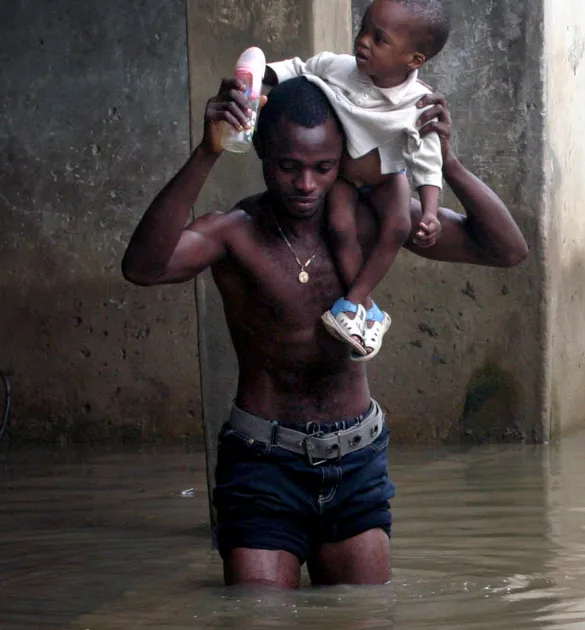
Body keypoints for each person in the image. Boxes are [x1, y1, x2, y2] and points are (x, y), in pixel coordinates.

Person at [120, 75, 528, 588]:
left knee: (362, 615)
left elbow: (507, 250)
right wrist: (208, 151)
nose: (307, 185)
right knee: (256, 616)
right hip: (262, 464)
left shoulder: (369, 222)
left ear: (345, 160)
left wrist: (446, 162)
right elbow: (143, 267)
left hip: (356, 461)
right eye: (289, 167)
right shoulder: (234, 232)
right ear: (263, 153)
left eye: (323, 168)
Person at [263, 0, 453, 361]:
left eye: (379, 39)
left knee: (398, 226)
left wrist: (430, 211)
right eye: (363, 29)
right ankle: (365, 308)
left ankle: (351, 303)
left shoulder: (419, 102)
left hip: (388, 178)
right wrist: (256, 75)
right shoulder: (338, 67)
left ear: (413, 60)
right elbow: (297, 69)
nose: (363, 41)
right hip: (346, 179)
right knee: (339, 227)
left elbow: (427, 163)